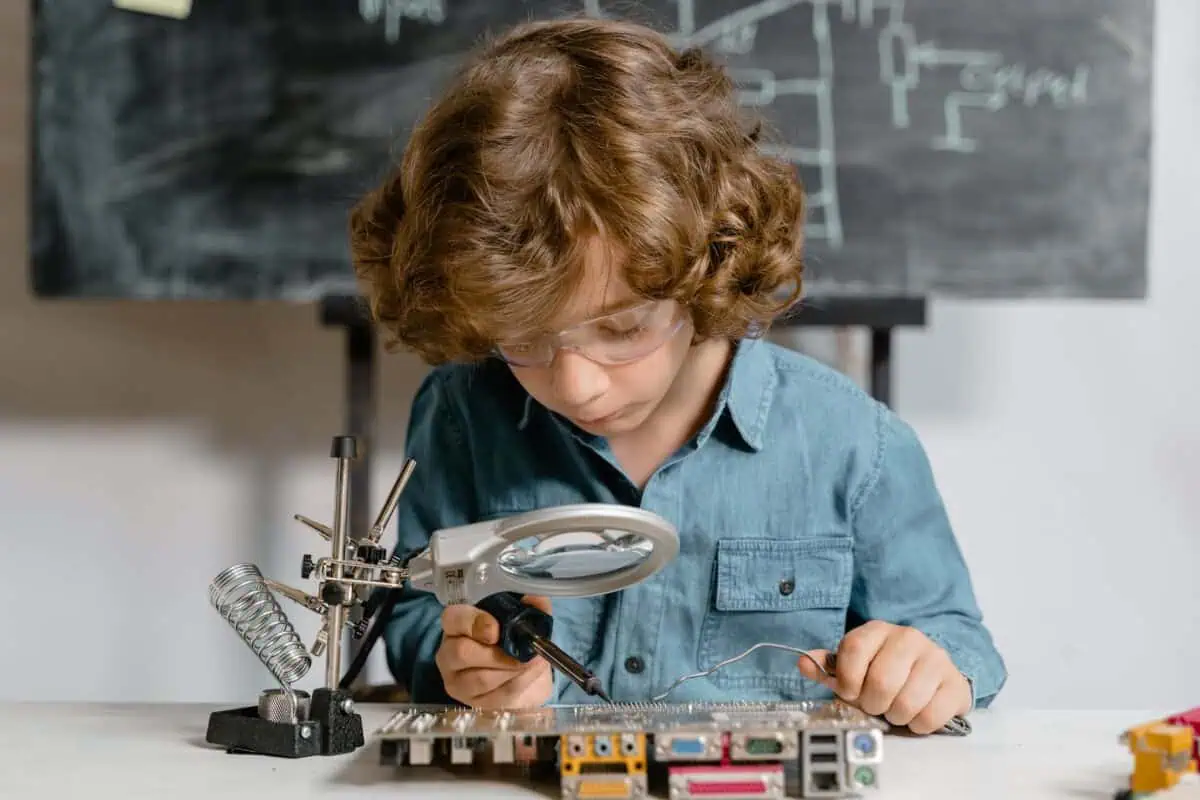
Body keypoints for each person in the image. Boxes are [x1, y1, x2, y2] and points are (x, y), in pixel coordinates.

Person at [348, 15, 1006, 735]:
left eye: (624, 328)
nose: (578, 386)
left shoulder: (854, 443)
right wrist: (456, 659)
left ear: (712, 266)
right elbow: (407, 611)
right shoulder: (461, 414)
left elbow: (957, 640)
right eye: (525, 338)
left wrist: (927, 668)